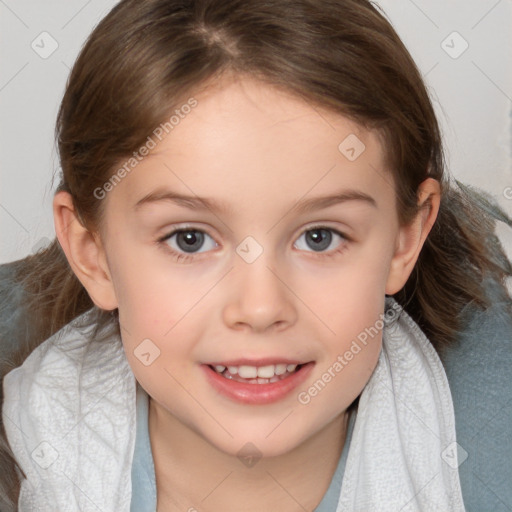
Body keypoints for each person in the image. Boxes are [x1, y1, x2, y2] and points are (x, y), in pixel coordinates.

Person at [1, 0, 511, 511]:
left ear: (405, 240)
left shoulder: (486, 465)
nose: (261, 307)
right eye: (189, 239)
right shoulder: (30, 456)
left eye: (319, 237)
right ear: (93, 254)